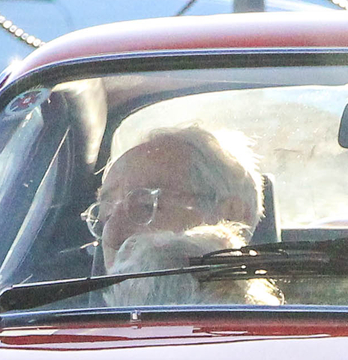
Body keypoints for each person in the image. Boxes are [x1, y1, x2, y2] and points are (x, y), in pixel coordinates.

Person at [83, 127, 279, 306]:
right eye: (105, 216)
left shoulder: (272, 337)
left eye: (144, 207)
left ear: (229, 218)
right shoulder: (73, 330)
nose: (111, 235)